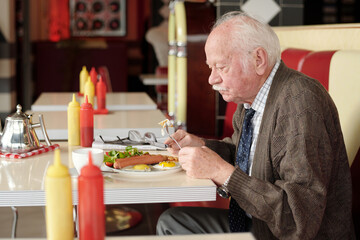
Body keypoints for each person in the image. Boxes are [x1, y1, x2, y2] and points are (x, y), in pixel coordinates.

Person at [156, 11, 355, 239]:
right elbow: (244, 154)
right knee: (172, 221)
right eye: (211, 67)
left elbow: (300, 219)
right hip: (259, 225)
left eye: (221, 67)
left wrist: (222, 172)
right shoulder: (251, 97)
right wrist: (201, 146)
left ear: (258, 60)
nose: (212, 79)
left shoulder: (300, 102)